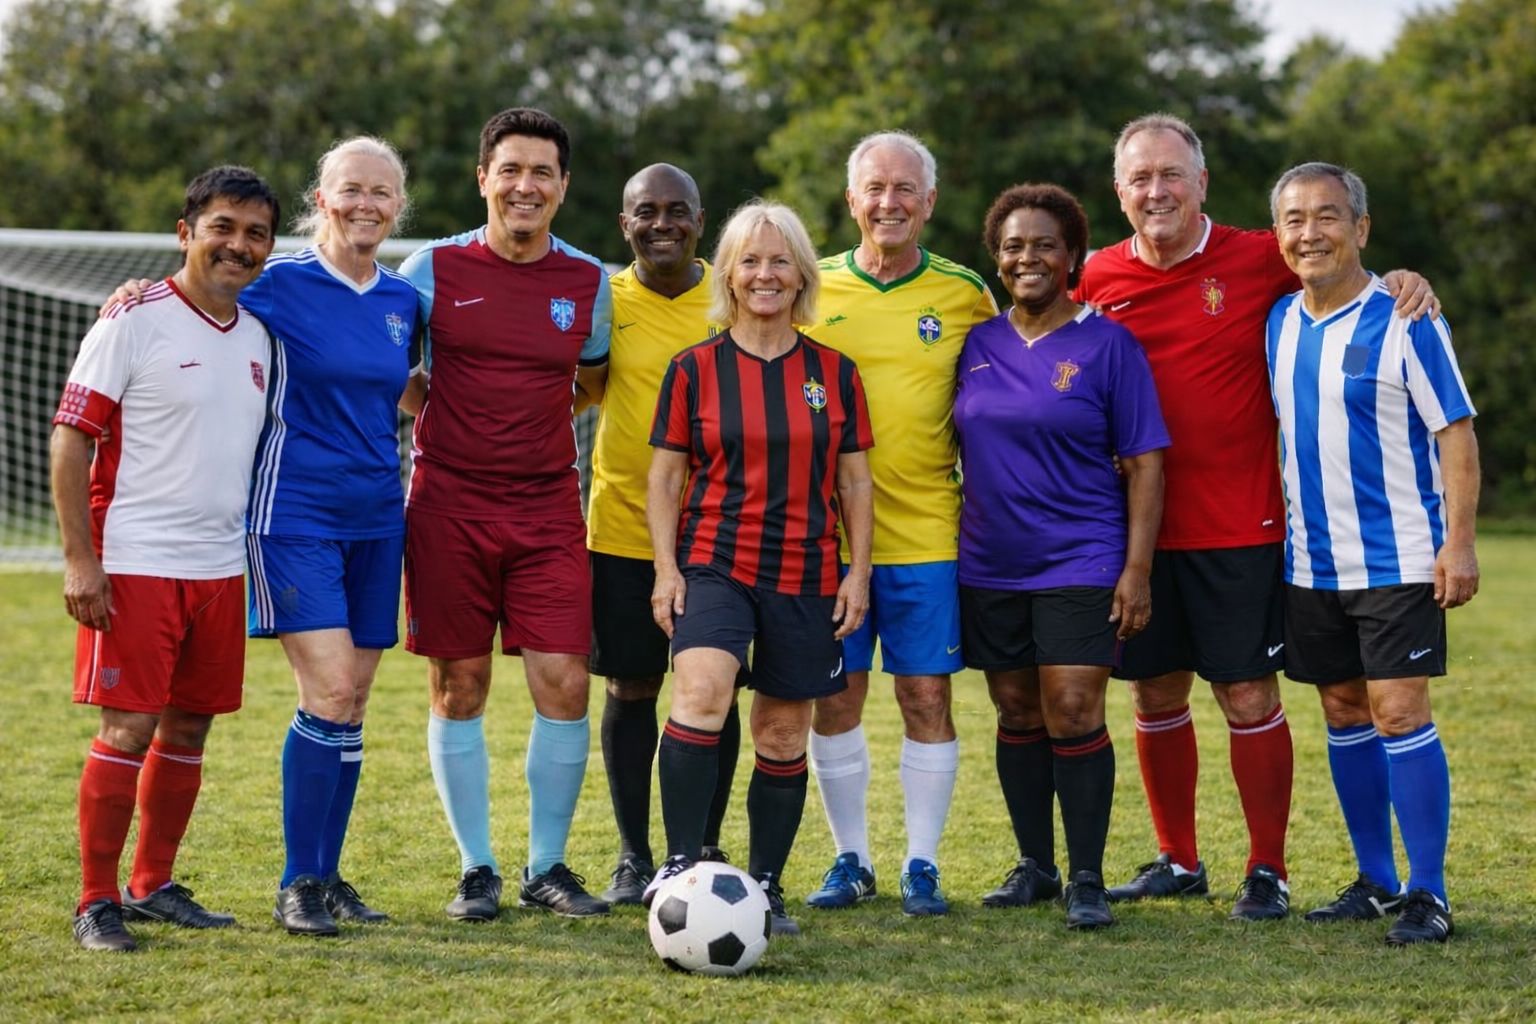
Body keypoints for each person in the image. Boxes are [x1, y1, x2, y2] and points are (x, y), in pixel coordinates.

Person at [1079, 112, 1437, 920]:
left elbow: (1340, 272)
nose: (1157, 190)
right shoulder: (1097, 277)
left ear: (1202, 183)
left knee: (1247, 695)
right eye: (1141, 178)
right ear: (1120, 192)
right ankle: (1178, 858)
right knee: (1155, 696)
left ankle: (1267, 870)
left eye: (1172, 174)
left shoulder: (1255, 258)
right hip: (1138, 533)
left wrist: (1405, 279)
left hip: (1240, 526)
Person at [101, 138, 421, 937]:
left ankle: (331, 874)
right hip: (293, 514)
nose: (366, 205)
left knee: (354, 704)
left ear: (399, 205)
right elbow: (198, 295)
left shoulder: (403, 302)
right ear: (324, 195)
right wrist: (136, 291)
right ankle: (296, 883)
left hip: (379, 517)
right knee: (332, 691)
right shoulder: (276, 285)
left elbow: (412, 393)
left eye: (383, 193)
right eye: (351, 189)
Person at [53, 166, 279, 952]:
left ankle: (152, 885)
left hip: (219, 566)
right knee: (129, 727)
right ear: (186, 232)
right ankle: (95, 899)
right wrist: (82, 562)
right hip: (138, 558)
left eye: (255, 234)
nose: (238, 245)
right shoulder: (133, 318)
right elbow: (71, 438)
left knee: (190, 727)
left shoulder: (258, 335)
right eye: (222, 226)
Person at [399, 107, 612, 921]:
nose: (527, 186)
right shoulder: (429, 270)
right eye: (511, 170)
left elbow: (589, 379)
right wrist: (436, 412)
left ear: (562, 188)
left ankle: (547, 867)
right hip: (447, 504)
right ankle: (477, 869)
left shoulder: (589, 283)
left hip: (548, 505)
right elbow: (390, 365)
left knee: (563, 680)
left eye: (543, 173)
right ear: (482, 178)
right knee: (461, 684)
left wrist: (532, 420)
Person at [642, 200, 875, 936]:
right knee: (702, 693)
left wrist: (858, 571)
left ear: (801, 274)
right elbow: (666, 478)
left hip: (807, 571)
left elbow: (856, 482)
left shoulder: (834, 373)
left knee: (781, 735)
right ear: (731, 274)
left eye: (780, 261)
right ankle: (680, 868)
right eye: (750, 260)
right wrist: (665, 569)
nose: (765, 275)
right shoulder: (694, 369)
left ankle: (765, 887)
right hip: (714, 563)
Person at [1265, 162, 1478, 945]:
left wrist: (1459, 543)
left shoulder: (1406, 317)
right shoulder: (1279, 320)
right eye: (1294, 219)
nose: (1309, 232)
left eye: (1327, 216)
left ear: (1361, 228)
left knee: (1398, 711)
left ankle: (1430, 891)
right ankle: (1376, 880)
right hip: (1310, 563)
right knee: (1343, 710)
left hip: (1397, 560)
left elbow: (1455, 432)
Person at [958, 184, 1168, 929]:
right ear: (997, 256)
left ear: (1073, 254)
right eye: (1014, 245)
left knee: (1073, 710)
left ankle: (1086, 877)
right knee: (1015, 709)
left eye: (1044, 244)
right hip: (988, 561)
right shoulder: (977, 344)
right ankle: (1035, 867)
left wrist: (1135, 571)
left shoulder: (1108, 343)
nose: (1028, 257)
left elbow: (1144, 463)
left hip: (1083, 557)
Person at [801, 130, 997, 917]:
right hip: (824, 543)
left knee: (924, 696)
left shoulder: (964, 293)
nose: (889, 202)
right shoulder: (810, 284)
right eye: (874, 189)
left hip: (927, 536)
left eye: (905, 189)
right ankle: (851, 859)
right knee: (835, 698)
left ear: (930, 202)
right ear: (852, 200)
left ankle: (922, 863)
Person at [585, 164, 737, 905]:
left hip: (721, 533)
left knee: (713, 688)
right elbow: (575, 391)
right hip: (622, 528)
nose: (663, 224)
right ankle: (633, 855)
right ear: (625, 224)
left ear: (700, 221)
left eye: (678, 211)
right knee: (632, 684)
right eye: (647, 211)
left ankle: (705, 848)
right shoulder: (604, 303)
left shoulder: (735, 295)